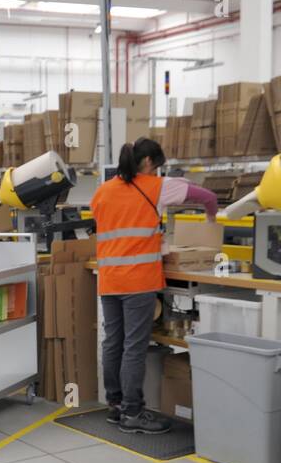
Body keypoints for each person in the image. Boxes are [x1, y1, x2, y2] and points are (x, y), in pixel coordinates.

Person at [90, 138, 218, 435]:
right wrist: (212, 223)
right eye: (158, 166)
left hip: (109, 279)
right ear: (148, 163)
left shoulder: (102, 191)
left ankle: (116, 405)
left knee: (113, 342)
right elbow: (208, 197)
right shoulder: (158, 186)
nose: (159, 172)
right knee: (134, 346)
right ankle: (133, 413)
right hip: (138, 280)